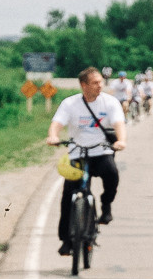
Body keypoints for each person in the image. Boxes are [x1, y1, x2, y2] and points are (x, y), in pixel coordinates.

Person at [46, 66, 128, 241]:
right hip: (78, 154)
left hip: (102, 151)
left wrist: (120, 140)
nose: (100, 85)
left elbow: (118, 123)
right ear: (84, 85)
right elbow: (57, 123)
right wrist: (53, 136)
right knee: (68, 195)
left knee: (112, 174)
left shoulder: (110, 102)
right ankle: (67, 241)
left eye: (101, 82)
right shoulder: (70, 103)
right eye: (95, 83)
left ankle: (106, 205)